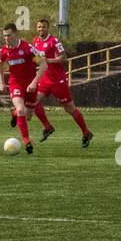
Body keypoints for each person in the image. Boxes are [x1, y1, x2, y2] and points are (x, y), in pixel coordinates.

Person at [30, 18, 92, 148]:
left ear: (48, 28)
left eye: (44, 27)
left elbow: (63, 57)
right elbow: (36, 57)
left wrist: (49, 61)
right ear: (37, 28)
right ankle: (47, 127)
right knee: (32, 102)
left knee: (69, 108)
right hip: (45, 78)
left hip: (58, 80)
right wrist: (36, 62)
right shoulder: (35, 41)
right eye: (39, 27)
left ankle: (86, 133)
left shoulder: (54, 41)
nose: (41, 29)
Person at [0, 22, 47, 154]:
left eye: (9, 36)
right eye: (5, 36)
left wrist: (34, 82)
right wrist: (2, 82)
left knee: (28, 115)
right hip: (15, 83)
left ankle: (14, 114)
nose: (6, 39)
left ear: (16, 34)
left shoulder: (27, 49)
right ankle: (27, 142)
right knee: (21, 110)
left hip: (30, 85)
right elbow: (0, 63)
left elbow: (43, 65)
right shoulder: (4, 51)